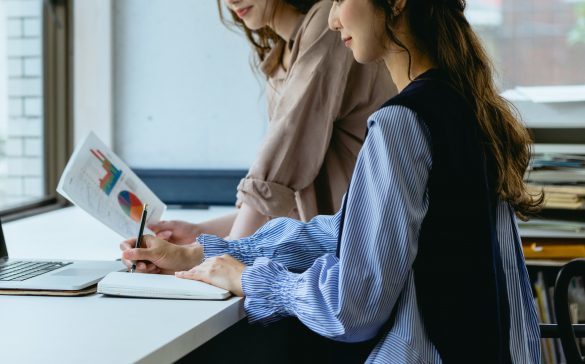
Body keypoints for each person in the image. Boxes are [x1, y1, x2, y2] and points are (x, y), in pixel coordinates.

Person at [122, 0, 543, 362]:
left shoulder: (402, 123)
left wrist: (249, 279)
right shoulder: (460, 103)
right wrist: (204, 254)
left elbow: (352, 308)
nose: (332, 19)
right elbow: (343, 233)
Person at [147, 0, 395, 245]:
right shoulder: (281, 58)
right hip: (330, 243)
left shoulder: (328, 27)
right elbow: (284, 201)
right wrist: (200, 233)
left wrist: (220, 249)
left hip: (368, 242)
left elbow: (279, 162)